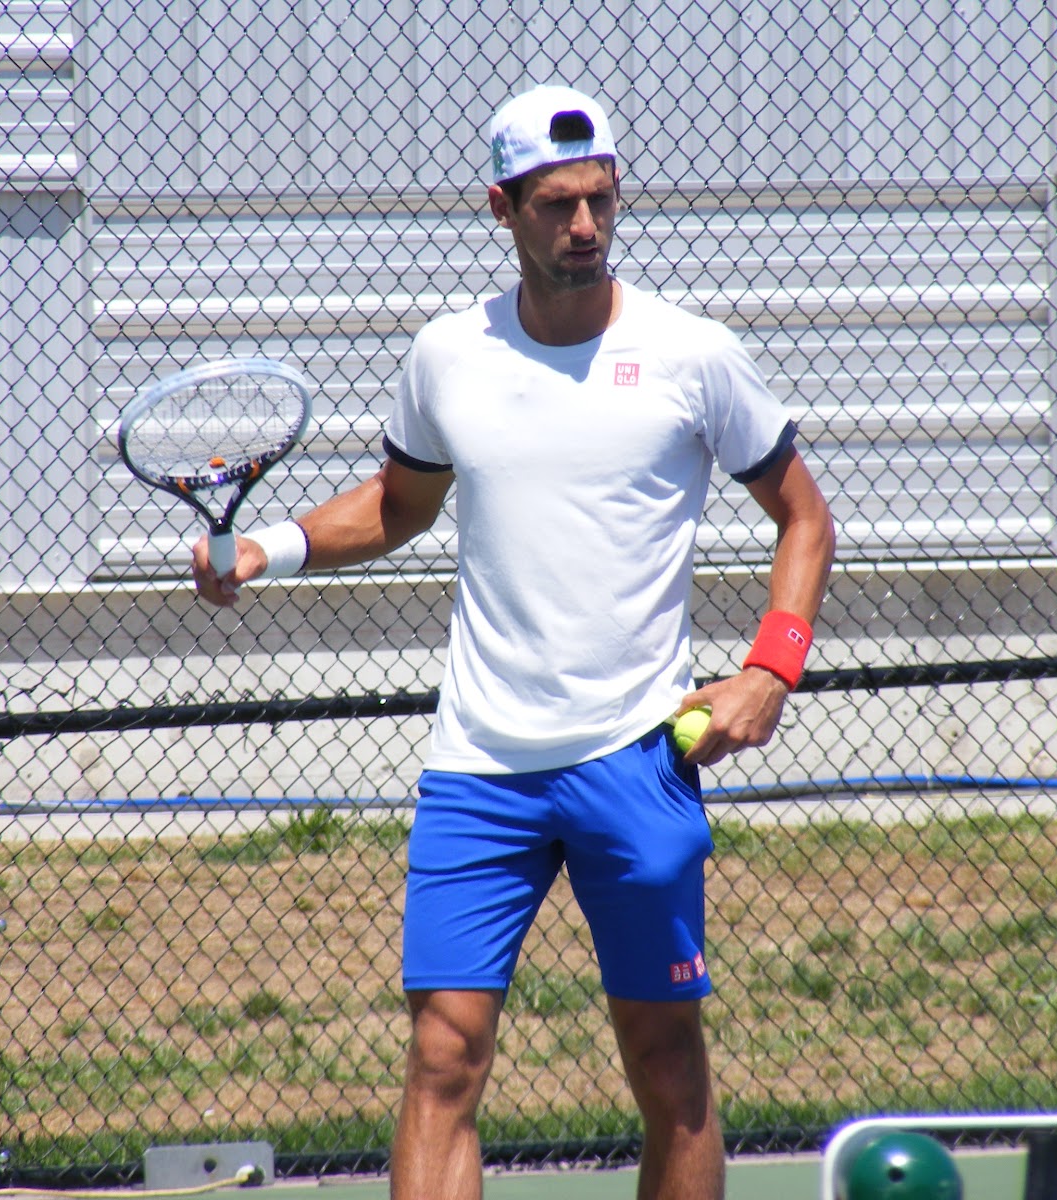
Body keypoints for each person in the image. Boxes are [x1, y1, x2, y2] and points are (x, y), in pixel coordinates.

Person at [193, 83, 835, 1200]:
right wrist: (270, 551)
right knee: (442, 1060)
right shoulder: (449, 356)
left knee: (665, 1064)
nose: (582, 225)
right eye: (554, 204)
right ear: (502, 208)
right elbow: (400, 505)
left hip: (638, 757)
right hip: (477, 768)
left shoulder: (693, 354)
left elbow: (804, 518)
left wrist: (770, 668)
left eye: (598, 199)